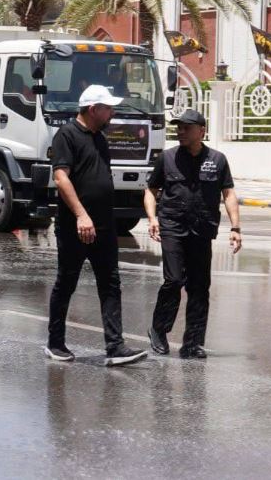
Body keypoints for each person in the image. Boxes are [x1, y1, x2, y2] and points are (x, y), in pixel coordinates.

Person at [45, 84, 148, 366]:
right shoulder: (66, 135)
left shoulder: (100, 137)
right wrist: (81, 215)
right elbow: (61, 178)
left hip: (103, 225)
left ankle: (115, 347)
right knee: (66, 282)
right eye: (108, 108)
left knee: (111, 283)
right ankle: (55, 344)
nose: (112, 113)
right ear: (93, 109)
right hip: (76, 226)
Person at [145, 108, 241, 359]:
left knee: (199, 286)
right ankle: (159, 329)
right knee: (174, 280)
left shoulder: (217, 160)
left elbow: (228, 193)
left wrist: (235, 227)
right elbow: (151, 190)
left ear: (202, 131)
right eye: (179, 127)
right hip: (172, 226)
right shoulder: (167, 158)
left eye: (187, 128)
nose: (181, 132)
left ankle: (193, 343)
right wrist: (153, 218)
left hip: (202, 229)